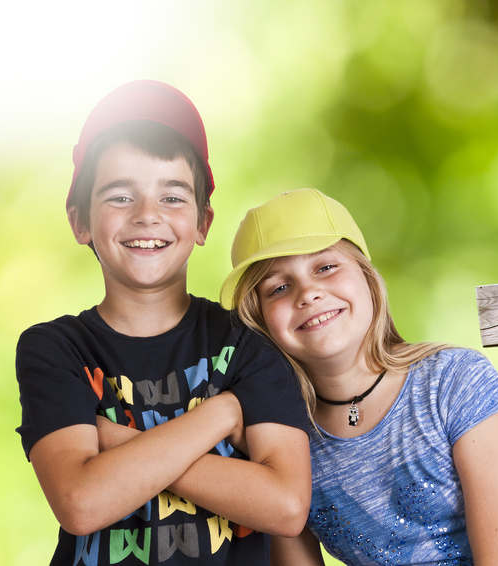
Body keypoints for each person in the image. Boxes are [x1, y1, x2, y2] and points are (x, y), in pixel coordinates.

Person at [15, 80, 311, 566]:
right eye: (119, 197)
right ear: (80, 221)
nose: (147, 215)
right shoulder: (54, 348)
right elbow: (81, 503)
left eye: (172, 197)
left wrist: (114, 443)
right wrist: (221, 415)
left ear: (202, 224)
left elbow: (285, 506)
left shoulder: (248, 342)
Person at [218, 188, 498, 565]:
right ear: (260, 321)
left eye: (326, 267)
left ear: (367, 279)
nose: (308, 293)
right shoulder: (285, 437)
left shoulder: (454, 382)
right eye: (279, 288)